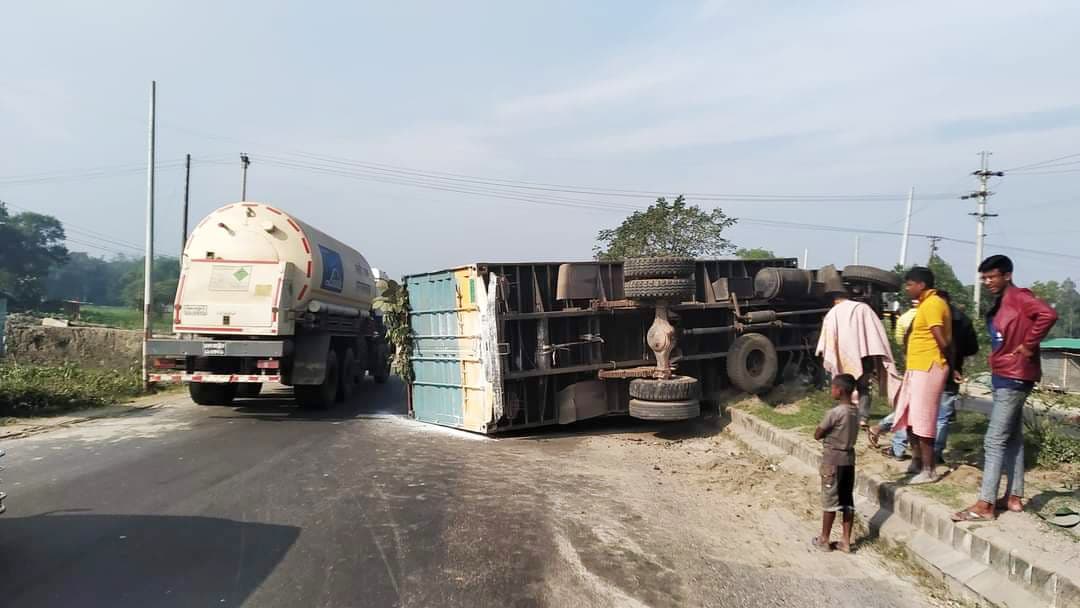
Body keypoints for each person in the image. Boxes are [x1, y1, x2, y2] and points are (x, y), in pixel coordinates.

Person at [953, 255, 1057, 522]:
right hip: (1006, 374)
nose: (987, 282)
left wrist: (1028, 345)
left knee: (993, 440)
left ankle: (985, 504)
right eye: (984, 278)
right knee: (1012, 438)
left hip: (1014, 376)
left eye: (992, 276)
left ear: (1007, 275)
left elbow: (1048, 314)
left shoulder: (1019, 297)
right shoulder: (1002, 301)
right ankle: (1013, 498)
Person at [815, 269, 901, 430]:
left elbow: (827, 339)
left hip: (843, 357)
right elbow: (876, 331)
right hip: (864, 356)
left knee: (846, 388)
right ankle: (863, 418)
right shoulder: (863, 308)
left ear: (834, 299)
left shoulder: (832, 313)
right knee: (863, 387)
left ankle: (846, 417)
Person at [892, 267, 950, 484]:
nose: (907, 289)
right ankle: (917, 461)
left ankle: (929, 469)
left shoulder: (934, 304)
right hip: (917, 366)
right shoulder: (925, 305)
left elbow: (941, 340)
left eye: (909, 284)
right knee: (910, 416)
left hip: (929, 367)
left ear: (921, 285)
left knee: (923, 419)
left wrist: (951, 365)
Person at [812, 373, 859, 553]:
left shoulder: (834, 413)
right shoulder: (855, 411)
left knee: (830, 500)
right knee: (847, 501)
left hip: (832, 461)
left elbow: (817, 434)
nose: (831, 390)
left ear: (839, 390)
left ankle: (824, 539)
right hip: (849, 460)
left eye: (832, 388)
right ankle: (845, 541)